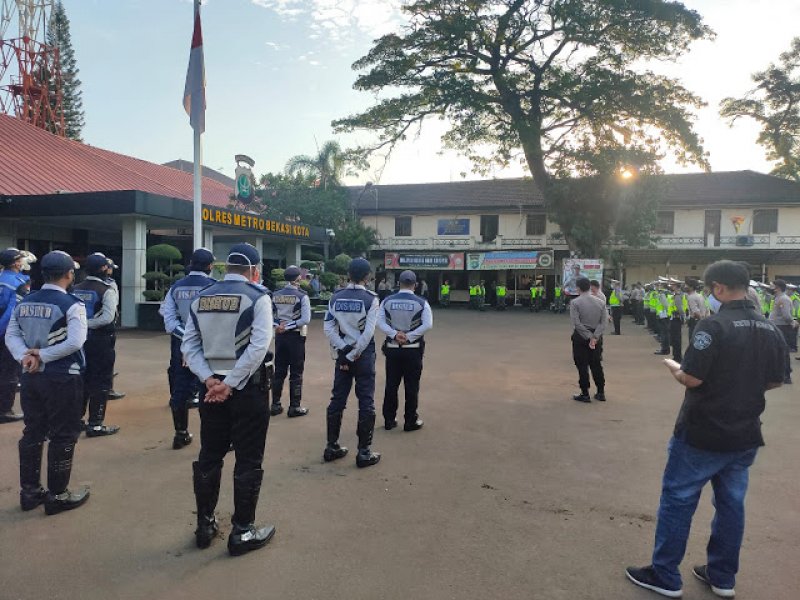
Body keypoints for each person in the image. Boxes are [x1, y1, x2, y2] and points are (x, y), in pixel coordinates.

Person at [625, 260, 787, 599]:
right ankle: (722, 576)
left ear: (717, 288)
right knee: (731, 505)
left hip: (702, 432)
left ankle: (665, 574)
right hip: (744, 434)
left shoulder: (713, 327)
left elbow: (692, 378)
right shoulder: (769, 329)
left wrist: (673, 367)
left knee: (678, 500)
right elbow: (775, 379)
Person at [182, 242, 276, 556]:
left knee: (210, 453)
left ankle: (205, 525)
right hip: (246, 390)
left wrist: (210, 380)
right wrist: (231, 383)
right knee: (248, 458)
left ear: (225, 268)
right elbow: (258, 348)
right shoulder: (258, 298)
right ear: (253, 270)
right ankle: (243, 531)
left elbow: (190, 347)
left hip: (210, 390)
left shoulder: (201, 298)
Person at [6, 251, 90, 514]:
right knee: (63, 434)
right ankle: (57, 495)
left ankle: (29, 493)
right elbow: (76, 342)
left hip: (31, 377)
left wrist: (26, 357)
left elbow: (12, 335)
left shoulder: (25, 301)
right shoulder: (72, 305)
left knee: (33, 431)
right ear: (69, 274)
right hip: (63, 377)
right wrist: (42, 355)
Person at [322, 257, 381, 468]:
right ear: (367, 277)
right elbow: (369, 332)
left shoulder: (336, 297)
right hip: (363, 356)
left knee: (337, 398)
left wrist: (344, 350)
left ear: (348, 274)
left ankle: (331, 446)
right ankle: (364, 452)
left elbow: (328, 328)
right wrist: (356, 351)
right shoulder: (371, 299)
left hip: (342, 354)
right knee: (366, 400)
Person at [159, 248, 216, 449]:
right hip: (209, 344)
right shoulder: (214, 287)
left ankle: (180, 434)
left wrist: (187, 341)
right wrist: (196, 341)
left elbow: (168, 320)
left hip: (180, 343)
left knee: (180, 390)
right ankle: (213, 437)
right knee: (211, 388)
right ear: (210, 266)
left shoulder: (175, 287)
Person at [377, 270, 432, 432]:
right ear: (415, 285)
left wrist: (395, 334)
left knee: (391, 385)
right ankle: (410, 421)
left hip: (393, 349)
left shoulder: (387, 301)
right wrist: (409, 336)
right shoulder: (422, 303)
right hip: (413, 350)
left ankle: (389, 420)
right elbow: (427, 325)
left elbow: (379, 322)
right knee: (412, 386)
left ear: (399, 283)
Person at [72, 253, 120, 437]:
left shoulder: (76, 288)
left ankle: (77, 421)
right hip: (101, 341)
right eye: (108, 267)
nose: (109, 270)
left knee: (82, 380)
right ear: (102, 269)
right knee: (100, 382)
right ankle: (96, 424)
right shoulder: (106, 289)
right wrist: (87, 325)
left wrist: (79, 327)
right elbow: (108, 317)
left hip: (78, 341)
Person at [269, 265, 311, 418]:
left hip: (280, 336)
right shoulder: (302, 296)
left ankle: (275, 404)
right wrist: (289, 326)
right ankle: (294, 406)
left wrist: (278, 326)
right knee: (296, 372)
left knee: (279, 371)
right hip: (295, 336)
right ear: (298, 278)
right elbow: (305, 319)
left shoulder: (275, 295)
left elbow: (271, 316)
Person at [0, 247, 28, 423]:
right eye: (20, 259)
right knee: (9, 373)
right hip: (6, 333)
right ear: (15, 263)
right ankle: (4, 410)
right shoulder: (19, 282)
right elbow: (13, 312)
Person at [569, 277, 607, 402]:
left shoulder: (575, 303)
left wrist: (588, 336)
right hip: (596, 337)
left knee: (582, 365)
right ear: (589, 287)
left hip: (581, 337)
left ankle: (585, 393)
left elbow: (577, 323)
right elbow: (603, 322)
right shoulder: (600, 302)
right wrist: (595, 336)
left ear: (578, 288)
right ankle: (601, 392)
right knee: (596, 364)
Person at [768, 279, 795, 384]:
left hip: (783, 327)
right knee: (778, 350)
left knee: (783, 351)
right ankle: (781, 373)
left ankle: (787, 375)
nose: (770, 287)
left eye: (772, 286)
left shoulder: (784, 299)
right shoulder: (778, 298)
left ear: (778, 288)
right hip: (778, 326)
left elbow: (787, 316)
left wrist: (793, 322)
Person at [668, 282, 686, 363]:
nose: (671, 286)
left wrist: (683, 317)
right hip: (675, 318)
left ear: (676, 286)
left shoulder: (678, 296)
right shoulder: (677, 294)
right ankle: (676, 356)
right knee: (675, 338)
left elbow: (680, 308)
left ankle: (677, 357)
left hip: (676, 318)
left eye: (673, 285)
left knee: (676, 339)